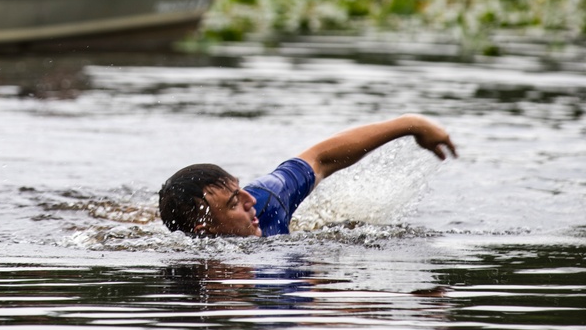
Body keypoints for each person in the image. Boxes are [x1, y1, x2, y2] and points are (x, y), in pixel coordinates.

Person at [160, 114, 457, 237]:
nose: (250, 199)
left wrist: (411, 124)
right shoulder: (265, 290)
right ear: (205, 228)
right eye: (234, 204)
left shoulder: (266, 201)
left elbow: (321, 158)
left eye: (241, 192)